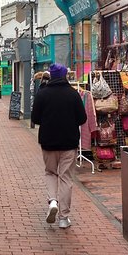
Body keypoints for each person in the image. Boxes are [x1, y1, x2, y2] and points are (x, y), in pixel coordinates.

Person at [31, 63, 87, 229]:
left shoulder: (43, 94)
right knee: (66, 177)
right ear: (64, 76)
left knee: (50, 173)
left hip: (48, 142)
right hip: (69, 142)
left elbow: (36, 118)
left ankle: (53, 201)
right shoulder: (73, 94)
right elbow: (82, 119)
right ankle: (64, 218)